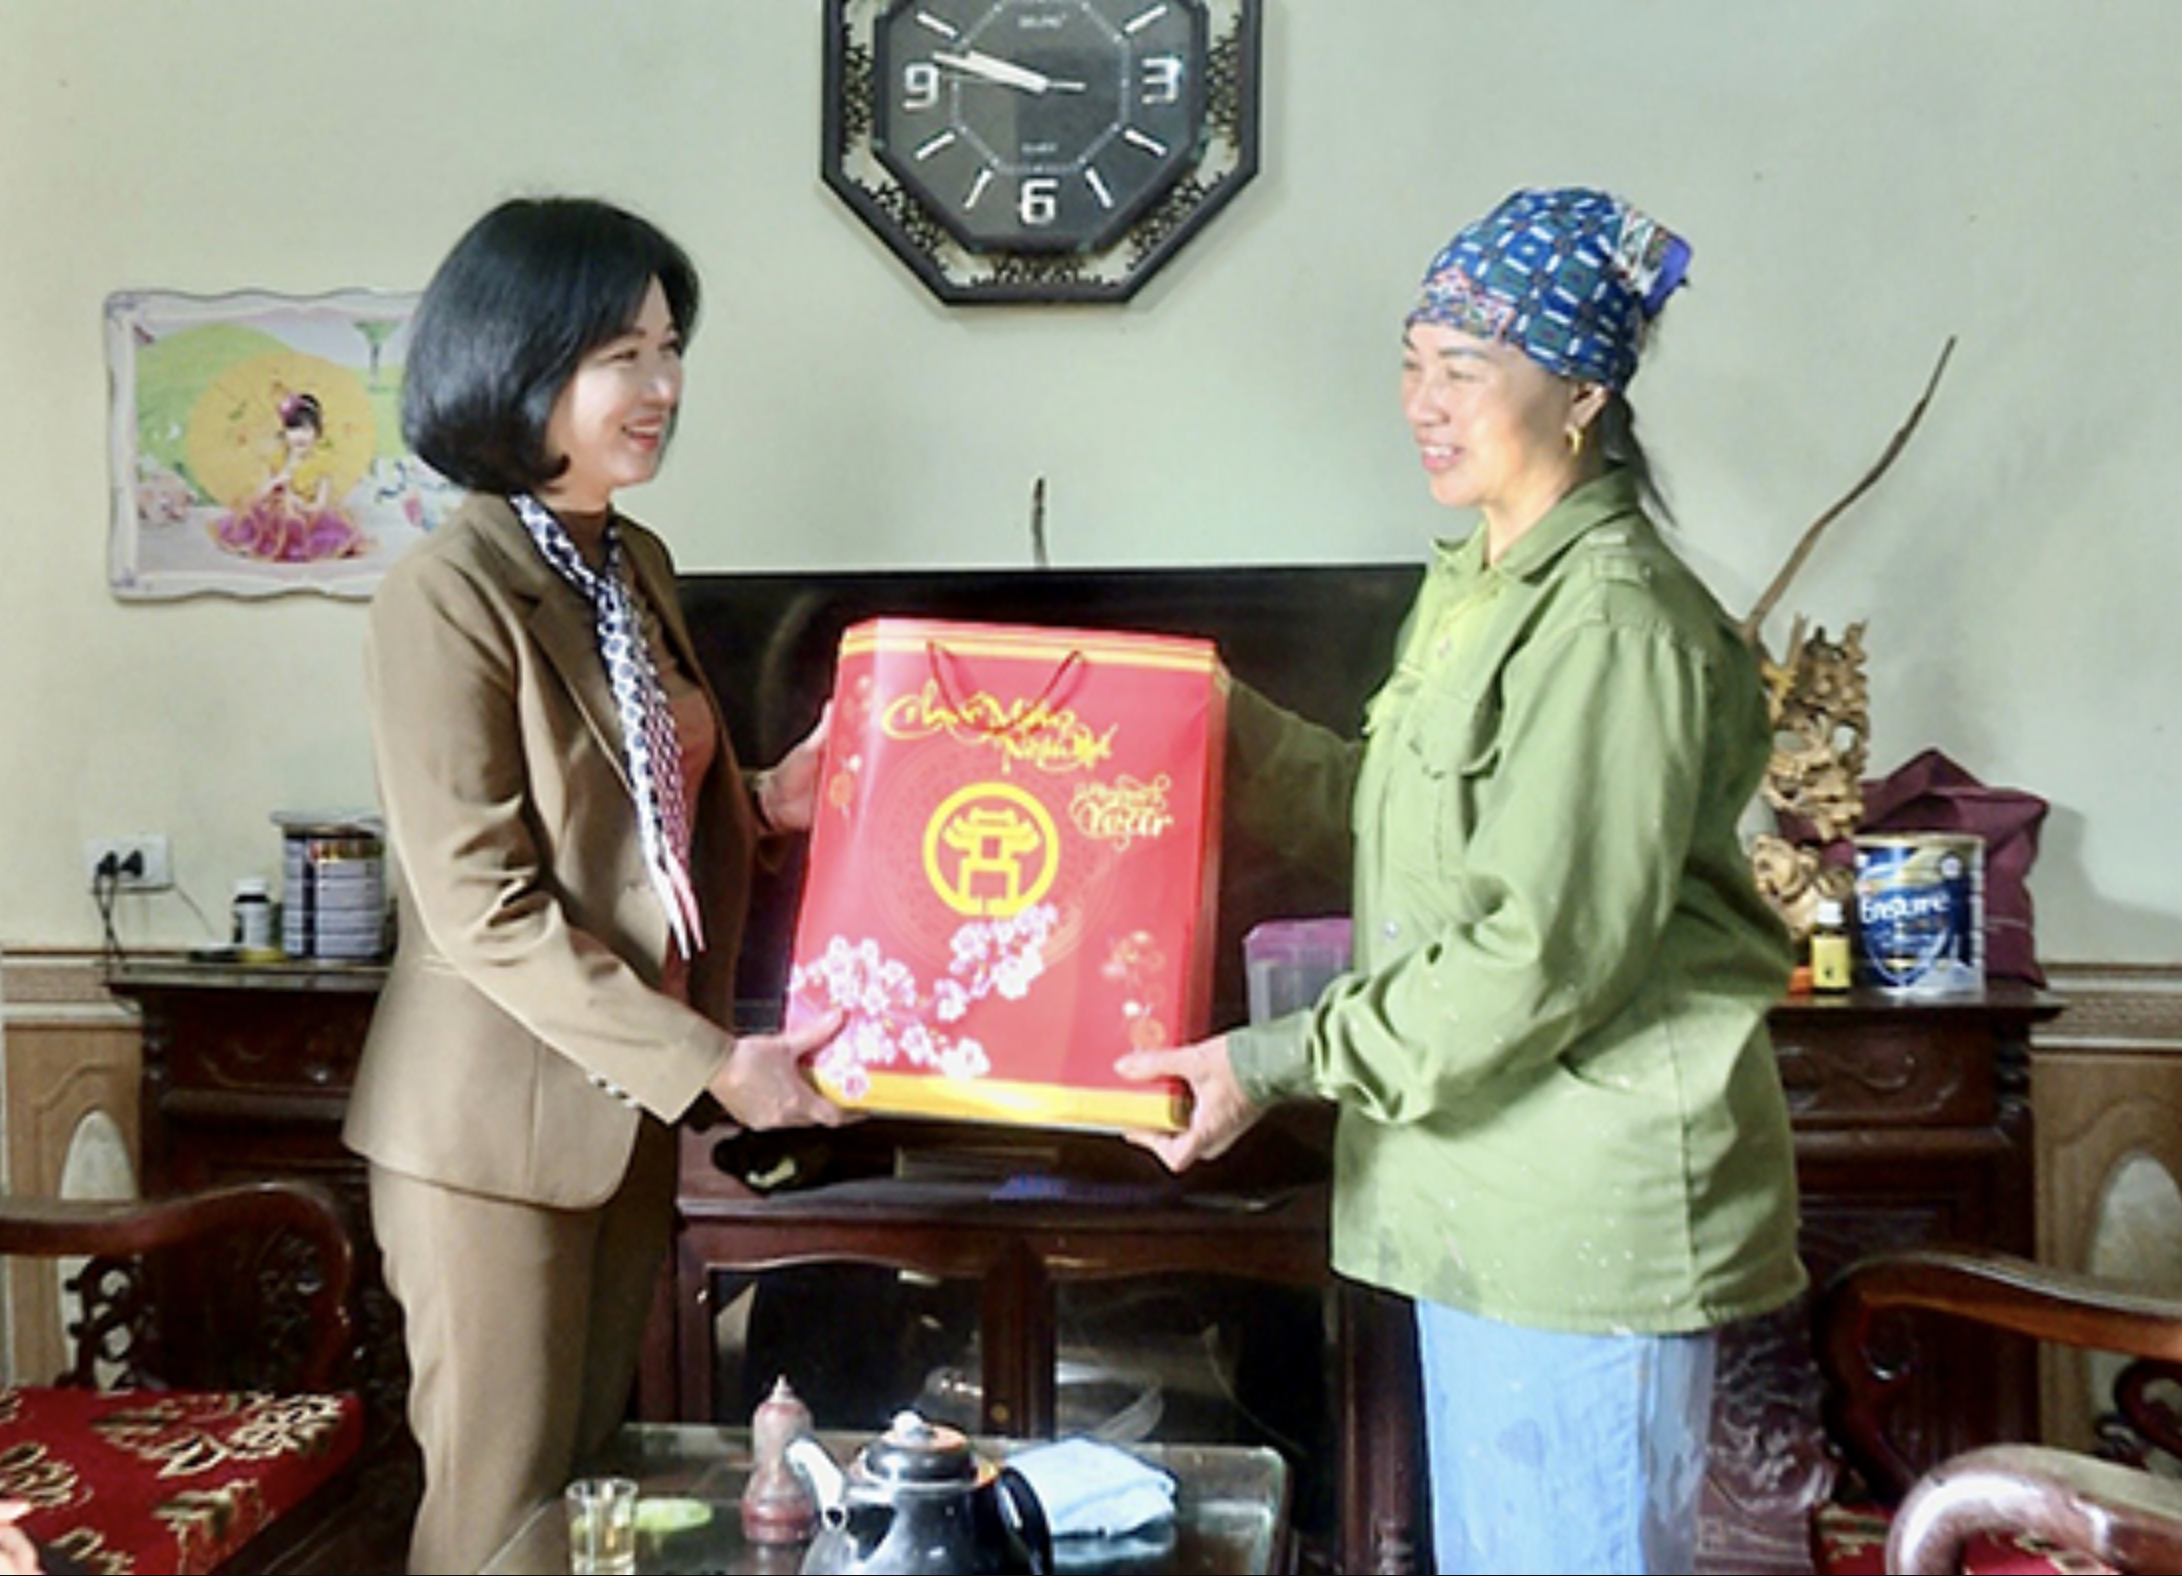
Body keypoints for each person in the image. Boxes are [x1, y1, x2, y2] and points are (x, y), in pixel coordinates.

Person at [1117, 187, 1806, 1575]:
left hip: (1578, 1222)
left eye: (1465, 368)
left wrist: (1270, 1060)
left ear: (1583, 396)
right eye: (1412, 360)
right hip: (1481, 1198)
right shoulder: (1486, 586)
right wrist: (1183, 714)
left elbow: (1538, 954)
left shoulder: (1611, 624)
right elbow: (1382, 817)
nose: (1421, 402)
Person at [342, 195, 853, 1573]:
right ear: (519, 364)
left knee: (581, 1498)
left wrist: (767, 803)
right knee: (499, 1513)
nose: (662, 386)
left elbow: (631, 826)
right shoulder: (446, 593)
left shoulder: (628, 565)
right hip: (487, 1137)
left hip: (617, 1116)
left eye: (670, 348)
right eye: (621, 355)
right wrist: (714, 1063)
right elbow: (483, 904)